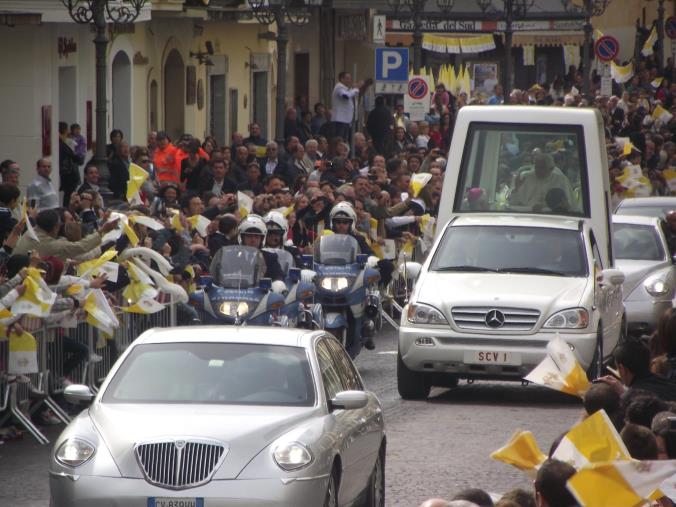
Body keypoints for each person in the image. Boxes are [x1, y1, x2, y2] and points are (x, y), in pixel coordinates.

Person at [210, 214, 285, 284]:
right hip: (233, 295)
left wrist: (277, 285)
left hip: (261, 296)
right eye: (249, 236)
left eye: (256, 237)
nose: (253, 240)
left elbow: (278, 279)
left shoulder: (270, 258)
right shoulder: (230, 256)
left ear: (262, 239)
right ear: (242, 237)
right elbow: (219, 276)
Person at [600, 339, 676, 401]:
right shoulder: (668, 383)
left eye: (618, 368)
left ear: (622, 369)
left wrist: (624, 395)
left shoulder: (635, 400)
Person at [508, 149, 576, 212]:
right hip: (527, 215)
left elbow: (569, 206)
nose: (538, 170)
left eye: (542, 168)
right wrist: (516, 189)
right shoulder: (525, 177)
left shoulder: (561, 180)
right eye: (536, 167)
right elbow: (512, 203)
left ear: (551, 169)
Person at [331, 72, 370, 144]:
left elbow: (348, 92)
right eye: (347, 78)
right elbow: (346, 96)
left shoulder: (345, 88)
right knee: (339, 141)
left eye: (350, 78)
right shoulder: (339, 86)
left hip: (346, 120)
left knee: (345, 140)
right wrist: (356, 89)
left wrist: (353, 88)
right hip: (340, 119)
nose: (349, 80)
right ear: (342, 79)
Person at [58, 121, 83, 207]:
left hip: (69, 174)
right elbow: (75, 157)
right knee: (68, 196)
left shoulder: (66, 142)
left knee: (68, 195)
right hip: (68, 174)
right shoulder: (64, 144)